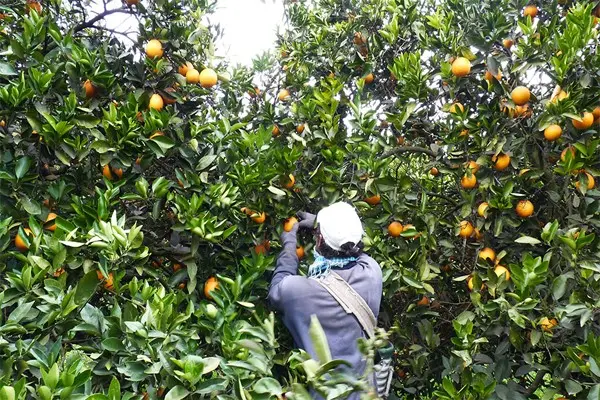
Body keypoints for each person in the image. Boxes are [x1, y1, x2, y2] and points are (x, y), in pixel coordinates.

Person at [268, 202, 383, 399]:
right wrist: (322, 225)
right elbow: (360, 253)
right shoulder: (372, 274)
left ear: (319, 240)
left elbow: (278, 285)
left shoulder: (296, 292)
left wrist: (288, 245)